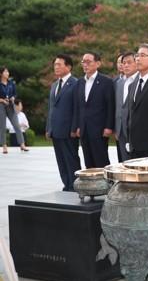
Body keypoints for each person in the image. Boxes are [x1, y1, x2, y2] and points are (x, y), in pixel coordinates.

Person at [46, 54, 81, 191]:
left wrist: (74, 128)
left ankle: (75, 185)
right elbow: (51, 108)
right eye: (55, 65)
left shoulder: (76, 83)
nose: (56, 67)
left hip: (68, 130)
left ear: (69, 66)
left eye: (59, 64)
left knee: (71, 158)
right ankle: (67, 184)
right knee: (60, 160)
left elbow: (77, 108)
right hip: (55, 130)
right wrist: (49, 128)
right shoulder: (55, 85)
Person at [75, 52, 114, 168]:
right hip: (84, 128)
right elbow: (79, 106)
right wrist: (78, 126)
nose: (85, 65)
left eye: (88, 62)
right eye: (83, 62)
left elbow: (110, 106)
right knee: (88, 160)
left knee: (101, 159)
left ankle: (105, 184)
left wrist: (108, 126)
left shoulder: (106, 82)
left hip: (99, 128)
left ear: (98, 63)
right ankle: (91, 184)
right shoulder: (80, 82)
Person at [114, 51, 138, 162]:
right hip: (121, 130)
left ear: (137, 63)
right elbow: (118, 107)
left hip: (135, 130)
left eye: (129, 62)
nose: (126, 65)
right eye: (124, 63)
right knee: (124, 162)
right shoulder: (119, 83)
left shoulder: (140, 81)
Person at [0, 66, 28, 153]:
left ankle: (22, 145)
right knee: (2, 127)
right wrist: (2, 100)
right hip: (1, 105)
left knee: (16, 125)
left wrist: (12, 98)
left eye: (8, 72)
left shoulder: (11, 83)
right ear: (1, 73)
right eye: (5, 72)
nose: (7, 73)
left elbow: (15, 94)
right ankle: (4, 146)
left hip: (11, 105)